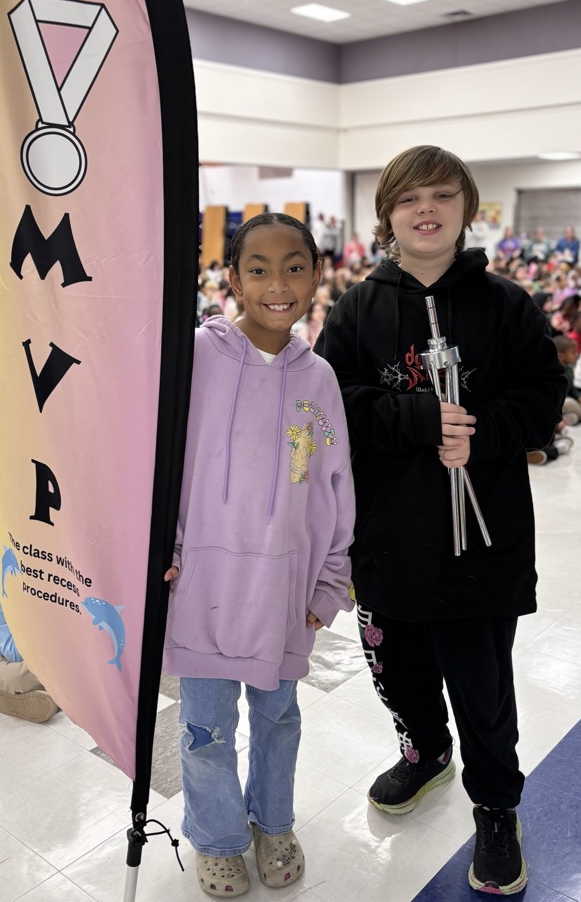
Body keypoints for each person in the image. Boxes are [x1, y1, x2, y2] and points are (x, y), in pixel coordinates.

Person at [314, 145, 566, 896]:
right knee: (401, 674)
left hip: (482, 545)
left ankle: (495, 806)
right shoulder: (358, 308)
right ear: (387, 215)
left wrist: (484, 430)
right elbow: (331, 407)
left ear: (467, 206)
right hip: (387, 542)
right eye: (409, 199)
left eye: (443, 196)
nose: (427, 210)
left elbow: (545, 395)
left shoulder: (507, 304)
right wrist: (418, 417)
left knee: (484, 689)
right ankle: (425, 752)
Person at [163, 212, 355, 898]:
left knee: (277, 718)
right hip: (203, 587)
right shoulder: (193, 357)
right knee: (205, 728)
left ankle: (273, 822)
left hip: (283, 590)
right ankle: (217, 837)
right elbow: (158, 467)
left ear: (317, 274)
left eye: (295, 266)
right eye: (259, 268)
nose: (278, 283)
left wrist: (329, 582)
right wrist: (161, 555)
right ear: (233, 278)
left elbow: (335, 485)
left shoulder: (320, 380)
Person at [0, 575, 59, 723]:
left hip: (33, 651)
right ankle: (15, 691)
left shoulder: (45, 580)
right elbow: (14, 653)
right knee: (24, 677)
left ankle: (14, 695)